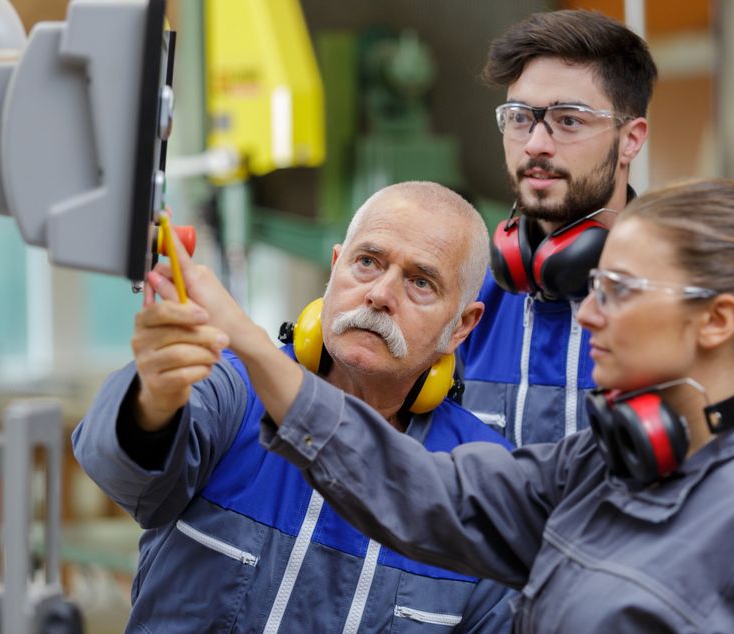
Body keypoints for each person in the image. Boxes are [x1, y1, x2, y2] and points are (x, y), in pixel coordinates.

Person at [150, 178, 734, 632]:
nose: (586, 317)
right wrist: (246, 341)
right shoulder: (604, 462)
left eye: (618, 291)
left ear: (715, 323)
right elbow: (422, 491)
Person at [72, 182, 517, 633]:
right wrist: (155, 400)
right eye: (367, 262)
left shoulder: (478, 484)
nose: (380, 294)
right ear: (335, 265)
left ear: (462, 325)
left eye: (420, 282)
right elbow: (117, 469)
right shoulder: (234, 389)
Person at [457, 10, 734, 445]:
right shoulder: (472, 305)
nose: (536, 144)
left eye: (569, 120)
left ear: (631, 139)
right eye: (520, 117)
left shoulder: (702, 311)